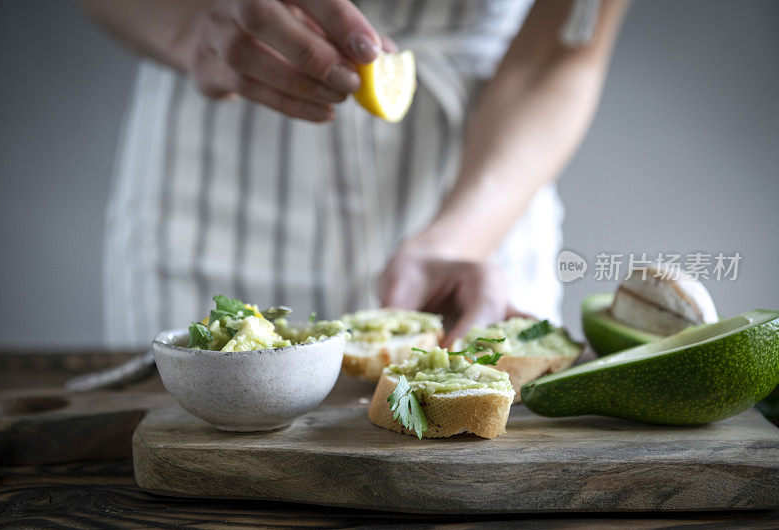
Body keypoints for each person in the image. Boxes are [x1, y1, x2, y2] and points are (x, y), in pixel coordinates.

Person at [80, 0, 628, 348]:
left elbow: (567, 44)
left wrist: (462, 238)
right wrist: (190, 26)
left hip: (485, 183)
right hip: (211, 177)